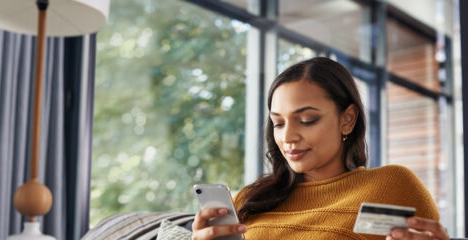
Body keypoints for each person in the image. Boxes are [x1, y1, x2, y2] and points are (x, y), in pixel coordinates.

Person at [191, 57, 450, 240]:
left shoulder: (392, 186)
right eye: (278, 123)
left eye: (307, 120)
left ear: (347, 119)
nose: (288, 136)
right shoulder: (251, 199)